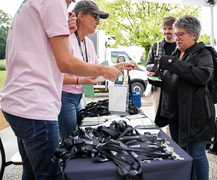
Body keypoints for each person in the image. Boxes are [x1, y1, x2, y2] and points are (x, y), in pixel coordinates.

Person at [0, 0, 136, 179]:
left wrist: (111, 68)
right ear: (82, 16)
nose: (72, 2)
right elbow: (66, 63)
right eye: (95, 17)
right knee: (51, 174)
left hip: (19, 102)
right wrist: (102, 70)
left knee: (32, 172)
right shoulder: (54, 2)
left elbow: (43, 53)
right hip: (36, 104)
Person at [58, 0, 136, 140]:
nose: (98, 22)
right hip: (63, 98)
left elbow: (97, 71)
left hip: (77, 98)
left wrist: (119, 66)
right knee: (69, 141)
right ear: (81, 16)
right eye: (95, 17)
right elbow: (54, 76)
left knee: (78, 138)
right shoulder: (65, 39)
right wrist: (80, 80)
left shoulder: (88, 43)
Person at [156, 15, 215, 180]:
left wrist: (171, 63)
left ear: (194, 35)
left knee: (196, 154)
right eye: (175, 34)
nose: (176, 38)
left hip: (196, 115)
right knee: (181, 151)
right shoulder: (177, 52)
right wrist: (158, 76)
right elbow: (175, 79)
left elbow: (203, 76)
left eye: (180, 34)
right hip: (176, 113)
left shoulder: (203, 53)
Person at [145, 16, 177, 113]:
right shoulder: (156, 45)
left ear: (176, 29)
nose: (167, 31)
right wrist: (157, 68)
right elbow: (147, 65)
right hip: (158, 87)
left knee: (173, 117)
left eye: (170, 28)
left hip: (175, 87)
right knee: (159, 116)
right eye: (164, 28)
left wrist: (163, 66)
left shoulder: (181, 45)